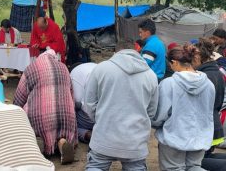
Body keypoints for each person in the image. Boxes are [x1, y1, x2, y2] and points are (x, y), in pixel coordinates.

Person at [84, 41, 159, 170]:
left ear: (115, 51)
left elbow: (89, 103)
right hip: (135, 141)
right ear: (137, 51)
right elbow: (151, 111)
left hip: (104, 136)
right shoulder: (151, 75)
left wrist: (101, 119)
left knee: (96, 166)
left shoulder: (101, 68)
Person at [152, 45, 215, 171]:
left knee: (173, 168)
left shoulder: (169, 84)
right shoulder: (208, 84)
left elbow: (160, 115)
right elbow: (208, 111)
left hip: (174, 136)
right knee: (194, 167)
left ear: (174, 62)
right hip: (200, 136)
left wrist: (156, 124)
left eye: (170, 64)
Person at [14, 49, 77, 164]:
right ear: (54, 57)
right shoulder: (64, 67)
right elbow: (72, 97)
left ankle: (40, 141)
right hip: (66, 120)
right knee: (62, 123)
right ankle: (62, 141)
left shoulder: (31, 68)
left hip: (42, 121)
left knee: (29, 109)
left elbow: (19, 97)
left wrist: (16, 113)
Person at [191, 38, 226, 170]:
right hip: (214, 125)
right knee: (204, 159)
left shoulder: (203, 76)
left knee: (197, 163)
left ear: (199, 56)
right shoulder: (216, 71)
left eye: (192, 57)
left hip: (206, 127)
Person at [70, 62, 97, 143]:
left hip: (90, 119)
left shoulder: (73, 74)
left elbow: (77, 102)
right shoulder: (95, 66)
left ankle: (88, 135)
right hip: (107, 119)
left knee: (69, 127)